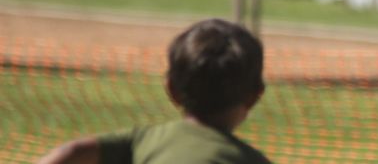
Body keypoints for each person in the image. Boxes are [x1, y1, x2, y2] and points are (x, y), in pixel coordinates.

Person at [37, 18, 272, 164]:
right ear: (255, 96)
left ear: (171, 89)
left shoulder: (147, 140)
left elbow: (73, 151)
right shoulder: (252, 160)